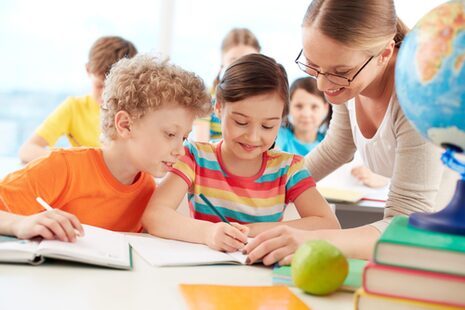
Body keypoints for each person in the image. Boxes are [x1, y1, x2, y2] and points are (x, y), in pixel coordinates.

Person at [244, 0, 450, 264]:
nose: (322, 83)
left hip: (448, 239)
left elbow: (405, 222)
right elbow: (336, 148)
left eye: (340, 72)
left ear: (385, 53)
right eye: (313, 65)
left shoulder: (420, 95)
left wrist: (311, 239)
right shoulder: (350, 84)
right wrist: (264, 189)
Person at [0, 54, 211, 242]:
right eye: (170, 135)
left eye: (183, 138)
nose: (180, 151)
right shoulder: (63, 167)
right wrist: (19, 224)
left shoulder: (147, 190)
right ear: (125, 125)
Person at [143, 54, 340, 253]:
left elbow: (329, 225)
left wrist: (252, 231)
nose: (253, 137)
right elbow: (154, 216)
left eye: (267, 125)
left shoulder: (288, 168)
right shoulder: (196, 157)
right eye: (241, 122)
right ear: (219, 108)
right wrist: (208, 233)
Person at [18, 36, 138, 164]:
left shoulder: (138, 112)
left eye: (113, 88)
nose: (106, 96)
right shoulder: (74, 108)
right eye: (100, 86)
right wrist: (74, 162)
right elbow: (27, 151)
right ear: (88, 70)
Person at [193, 28, 261, 142]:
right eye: (234, 60)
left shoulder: (264, 100)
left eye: (248, 60)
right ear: (222, 61)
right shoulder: (206, 98)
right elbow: (200, 143)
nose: (241, 67)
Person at [276, 77, 331, 156]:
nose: (306, 114)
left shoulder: (329, 144)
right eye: (299, 106)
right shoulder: (278, 137)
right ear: (289, 106)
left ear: (325, 108)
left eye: (314, 107)